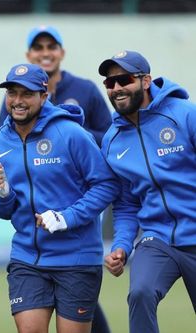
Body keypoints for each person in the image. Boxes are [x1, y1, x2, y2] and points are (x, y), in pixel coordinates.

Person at [0, 63, 119, 333]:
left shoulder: (71, 134)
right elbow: (2, 210)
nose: (18, 101)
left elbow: (106, 185)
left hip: (76, 259)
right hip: (27, 258)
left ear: (43, 97)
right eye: (12, 93)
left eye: (27, 94)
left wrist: (65, 218)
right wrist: (2, 196)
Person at [98, 50, 196, 333]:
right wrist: (121, 246)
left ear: (145, 81)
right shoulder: (112, 140)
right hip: (158, 238)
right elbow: (127, 204)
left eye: (124, 79)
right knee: (140, 292)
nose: (116, 88)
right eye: (109, 83)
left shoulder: (185, 116)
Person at [0, 25, 111, 146]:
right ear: (28, 55)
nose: (45, 53)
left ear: (62, 53)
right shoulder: (16, 98)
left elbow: (109, 137)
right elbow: (3, 137)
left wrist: (70, 132)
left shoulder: (86, 89)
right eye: (38, 48)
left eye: (52, 47)